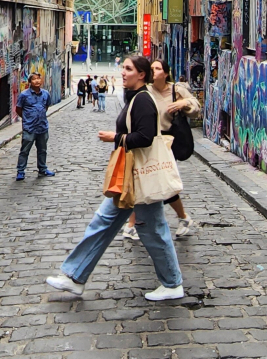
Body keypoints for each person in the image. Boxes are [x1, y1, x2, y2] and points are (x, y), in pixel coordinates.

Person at [46, 55, 184, 301]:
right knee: (103, 222)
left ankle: (173, 284)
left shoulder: (142, 99)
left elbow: (146, 137)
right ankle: (75, 277)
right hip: (129, 177)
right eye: (123, 68)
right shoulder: (135, 97)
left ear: (141, 75)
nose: (123, 72)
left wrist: (116, 138)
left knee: (152, 230)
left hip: (141, 177)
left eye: (128, 69)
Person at [123, 58, 200, 240]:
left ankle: (133, 225)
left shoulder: (175, 90)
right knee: (149, 182)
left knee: (156, 182)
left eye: (157, 68)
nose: (154, 71)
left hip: (167, 143)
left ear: (165, 73)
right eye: (152, 68)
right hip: (149, 142)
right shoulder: (146, 92)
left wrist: (183, 104)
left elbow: (196, 108)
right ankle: (181, 218)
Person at [15, 73, 55, 181]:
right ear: (30, 82)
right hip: (29, 127)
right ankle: (20, 171)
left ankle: (42, 169)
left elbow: (46, 107)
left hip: (42, 127)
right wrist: (27, 118)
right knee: (24, 150)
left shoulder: (45, 94)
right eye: (34, 79)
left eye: (38, 78)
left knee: (42, 149)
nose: (37, 81)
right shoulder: (24, 95)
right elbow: (18, 109)